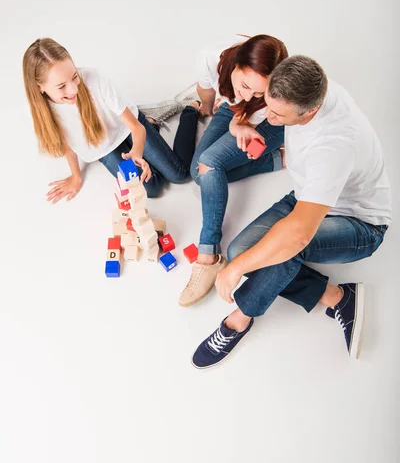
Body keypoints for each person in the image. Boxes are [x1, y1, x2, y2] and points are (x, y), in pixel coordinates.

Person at [191, 55, 392, 368]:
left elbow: (297, 236)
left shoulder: (334, 146)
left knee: (282, 251)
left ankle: (239, 319)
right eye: (268, 105)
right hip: (308, 197)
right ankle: (338, 298)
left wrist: (232, 271)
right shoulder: (304, 84)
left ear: (310, 111)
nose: (268, 117)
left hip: (359, 223)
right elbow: (248, 107)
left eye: (276, 114)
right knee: (242, 249)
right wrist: (241, 126)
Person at [178, 34, 288, 307]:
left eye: (258, 91)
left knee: (210, 163)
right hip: (234, 111)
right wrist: (209, 107)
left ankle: (208, 255)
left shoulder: (266, 94)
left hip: (268, 123)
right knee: (198, 172)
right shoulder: (210, 56)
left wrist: (240, 119)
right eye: (245, 85)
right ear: (236, 64)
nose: (249, 93)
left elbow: (246, 112)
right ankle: (274, 161)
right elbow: (207, 90)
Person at [22, 38, 200, 203]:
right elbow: (69, 143)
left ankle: (191, 109)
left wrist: (137, 153)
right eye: (61, 86)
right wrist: (75, 176)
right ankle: (153, 122)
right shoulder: (44, 111)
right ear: (40, 87)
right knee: (153, 188)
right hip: (105, 148)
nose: (73, 89)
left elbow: (136, 127)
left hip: (128, 127)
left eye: (75, 76)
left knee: (180, 175)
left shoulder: (95, 80)